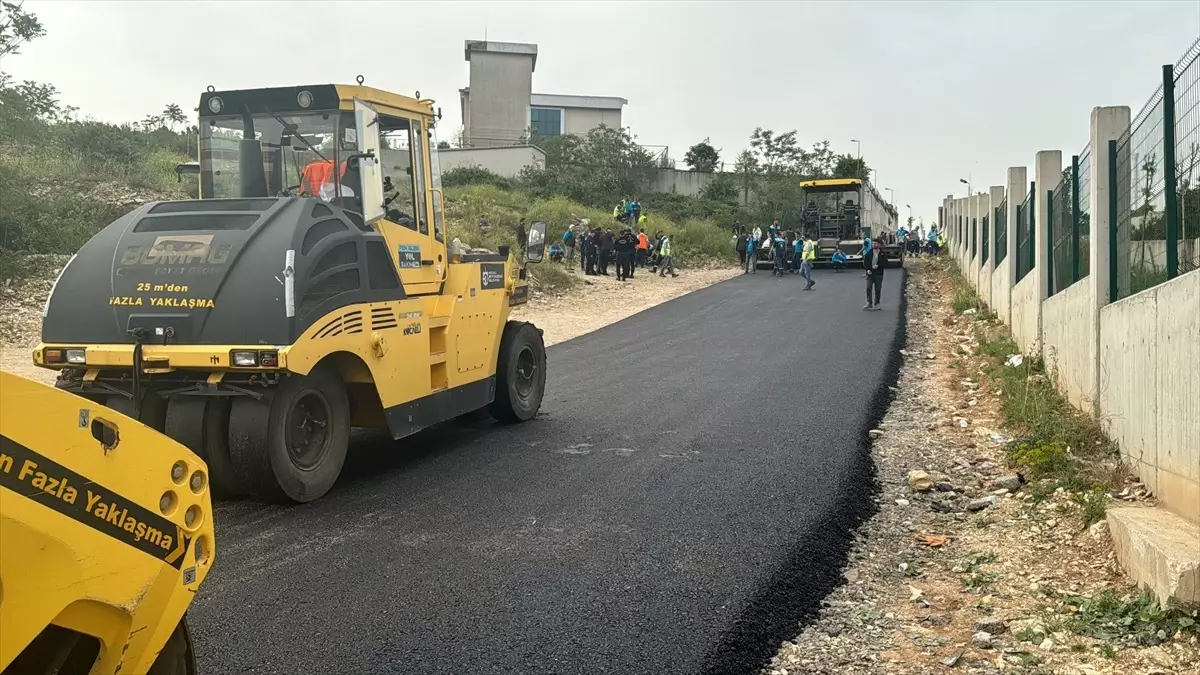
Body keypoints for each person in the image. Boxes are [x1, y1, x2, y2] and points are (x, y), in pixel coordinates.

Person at [864, 236, 885, 311]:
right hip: (870, 274)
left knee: (878, 289)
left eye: (875, 243)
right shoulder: (869, 253)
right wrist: (867, 270)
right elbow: (865, 263)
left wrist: (878, 265)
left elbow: (885, 263)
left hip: (879, 274)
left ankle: (877, 304)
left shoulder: (882, 254)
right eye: (873, 243)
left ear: (879, 245)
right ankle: (869, 303)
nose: (873, 245)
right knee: (868, 288)